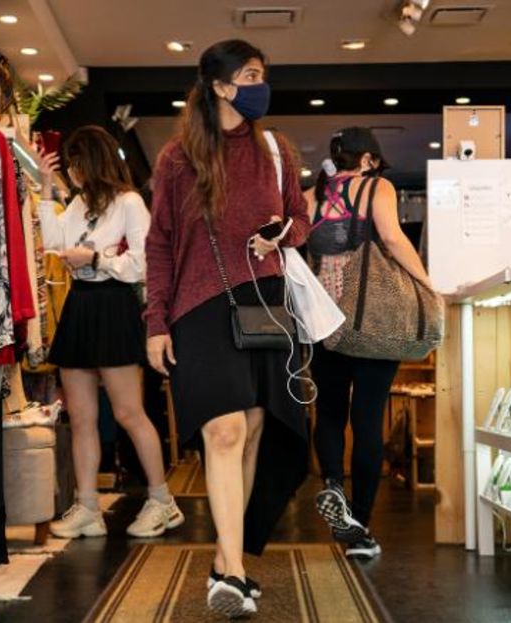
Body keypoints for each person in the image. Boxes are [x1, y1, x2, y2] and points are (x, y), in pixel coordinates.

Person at [145, 40, 311, 618]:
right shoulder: (176, 158)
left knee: (255, 429)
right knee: (224, 431)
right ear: (218, 86)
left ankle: (225, 559)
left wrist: (280, 232)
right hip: (197, 308)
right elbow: (160, 242)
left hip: (263, 299)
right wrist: (155, 321)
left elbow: (301, 219)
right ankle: (234, 575)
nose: (261, 84)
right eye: (250, 74)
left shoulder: (275, 148)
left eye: (262, 73)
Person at [38, 126, 183, 540]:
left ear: (93, 161)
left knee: (127, 412)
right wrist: (48, 190)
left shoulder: (130, 202)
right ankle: (87, 507)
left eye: (75, 164)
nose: (73, 172)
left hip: (115, 304)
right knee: (82, 417)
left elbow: (144, 263)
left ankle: (162, 500)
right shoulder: (78, 202)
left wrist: (97, 258)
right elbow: (53, 242)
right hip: (80, 304)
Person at [304, 127, 436, 559]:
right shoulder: (377, 186)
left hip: (323, 321)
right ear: (369, 160)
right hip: (371, 317)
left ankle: (333, 491)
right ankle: (359, 526)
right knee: (367, 418)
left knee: (329, 414)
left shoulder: (312, 194)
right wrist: (427, 284)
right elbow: (393, 239)